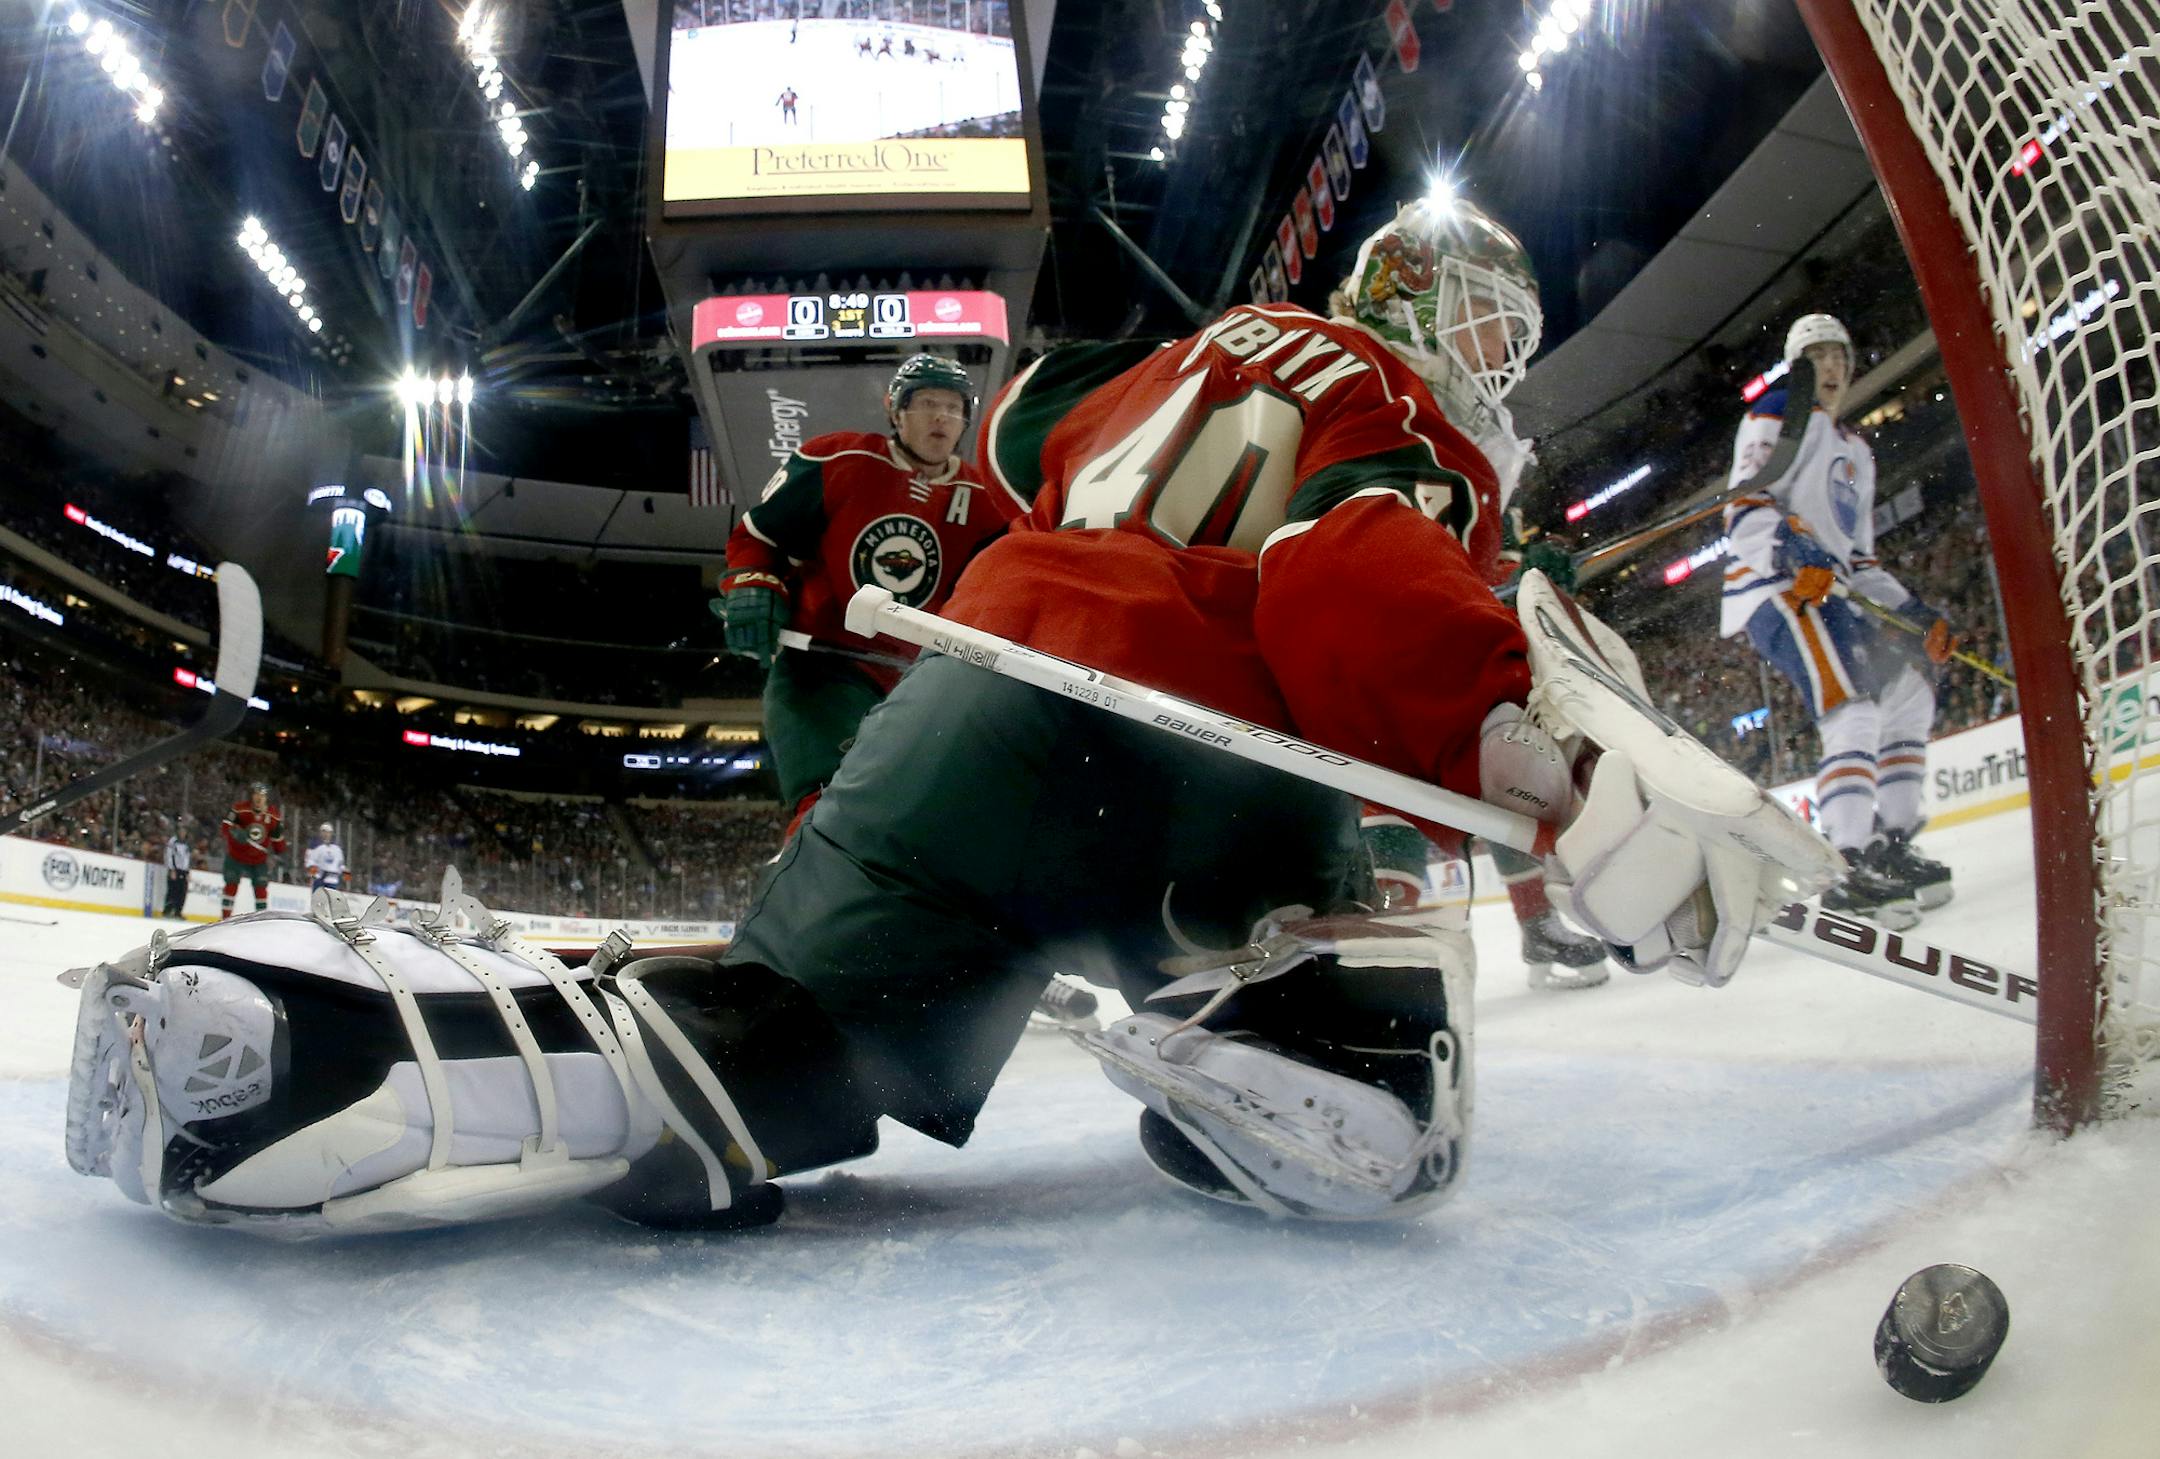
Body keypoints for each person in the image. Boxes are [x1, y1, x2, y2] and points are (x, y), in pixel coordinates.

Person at [64, 202, 1817, 1237]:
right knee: (1386, 1092)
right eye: (1488, 327)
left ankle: (314, 1043)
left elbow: (1013, 436)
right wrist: (1553, 763)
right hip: (1218, 773)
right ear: (1423, 308)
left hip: (989, 695)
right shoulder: (1406, 416)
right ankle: (1249, 1033)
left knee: (760, 1043)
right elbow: (1343, 588)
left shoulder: (1189, 350)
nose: (1495, 361)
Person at [1331, 209, 1609, 991]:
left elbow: (1469, 563)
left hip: (1395, 631)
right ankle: (1388, 935)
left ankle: (1532, 920)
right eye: (1486, 314)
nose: (1502, 346)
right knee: (1394, 746)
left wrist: (1527, 578)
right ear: (1415, 303)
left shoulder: (1466, 433)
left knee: (1513, 724)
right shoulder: (1361, 390)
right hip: (1328, 649)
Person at [717, 353, 1021, 833]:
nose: (941, 417)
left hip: (916, 681)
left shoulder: (987, 499)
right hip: (823, 668)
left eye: (953, 407)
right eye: (927, 403)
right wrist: (753, 583)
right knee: (829, 812)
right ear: (896, 411)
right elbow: (758, 538)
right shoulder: (838, 461)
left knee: (924, 821)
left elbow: (996, 589)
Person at [1721, 313, 1956, 926]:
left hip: (1833, 594)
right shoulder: (1777, 412)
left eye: (1839, 357)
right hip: (1778, 591)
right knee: (1852, 713)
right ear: (1797, 368)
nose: (1830, 367)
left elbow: (1859, 560)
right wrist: (1789, 547)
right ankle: (1846, 866)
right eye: (1816, 356)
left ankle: (1891, 845)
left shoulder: (1856, 451)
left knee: (1908, 697)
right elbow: (1744, 506)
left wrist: (1913, 613)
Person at [218, 781, 284, 919]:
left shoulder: (273, 816)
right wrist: (235, 832)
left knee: (261, 889)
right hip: (236, 856)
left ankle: (260, 920)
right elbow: (225, 828)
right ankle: (225, 918)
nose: (258, 798)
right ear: (251, 796)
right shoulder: (239, 809)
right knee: (231, 886)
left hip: (258, 860)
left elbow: (278, 843)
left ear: (266, 798)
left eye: (262, 795)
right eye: (256, 794)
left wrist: (280, 853)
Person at [304, 821, 346, 892]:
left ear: (331, 833)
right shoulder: (314, 846)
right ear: (320, 832)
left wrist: (344, 872)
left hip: (332, 880)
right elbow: (309, 861)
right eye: (324, 831)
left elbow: (340, 864)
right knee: (318, 897)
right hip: (319, 879)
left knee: (331, 898)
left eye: (328, 832)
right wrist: (313, 871)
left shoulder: (337, 849)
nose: (326, 834)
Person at [160, 824, 190, 919]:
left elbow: (187, 858)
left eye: (184, 832)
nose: (183, 833)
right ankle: (167, 910)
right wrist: (171, 869)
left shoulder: (186, 843)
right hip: (175, 870)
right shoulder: (173, 842)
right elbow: (169, 856)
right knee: (172, 890)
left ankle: (178, 911)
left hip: (183, 870)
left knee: (182, 891)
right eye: (181, 831)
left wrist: (187, 871)